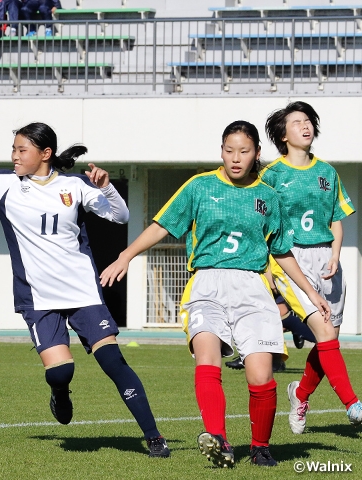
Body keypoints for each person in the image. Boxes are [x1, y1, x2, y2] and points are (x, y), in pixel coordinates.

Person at [0, 100, 170, 458]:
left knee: (113, 362)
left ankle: (154, 437)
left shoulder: (75, 185)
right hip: (38, 298)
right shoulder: (4, 186)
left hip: (83, 291)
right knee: (61, 373)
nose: (15, 156)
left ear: (45, 153)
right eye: (14, 149)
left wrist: (108, 187)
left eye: (22, 149)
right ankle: (60, 394)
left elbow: (121, 216)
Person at [100, 121, 331, 468]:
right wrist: (126, 255)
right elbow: (163, 224)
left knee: (261, 376)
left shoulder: (268, 197)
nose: (235, 158)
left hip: (253, 286)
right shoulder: (199, 186)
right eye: (229, 150)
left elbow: (282, 251)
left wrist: (311, 293)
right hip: (206, 283)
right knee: (207, 354)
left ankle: (260, 447)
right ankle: (219, 440)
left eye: (244, 151)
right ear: (221, 150)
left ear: (256, 154)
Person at [262, 101, 362, 434]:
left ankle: (300, 393)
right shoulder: (271, 176)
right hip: (290, 261)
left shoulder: (327, 172)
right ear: (282, 134)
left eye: (308, 121)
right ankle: (353, 403)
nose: (305, 127)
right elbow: (264, 225)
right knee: (323, 332)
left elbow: (336, 219)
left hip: (327, 262)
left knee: (327, 339)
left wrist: (335, 255)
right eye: (297, 122)